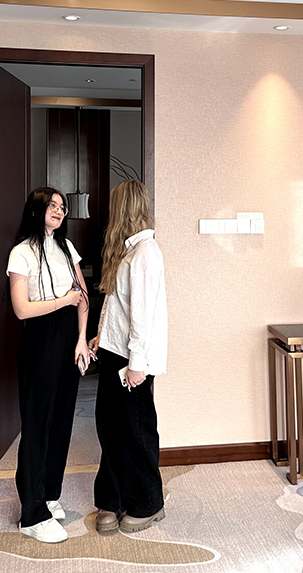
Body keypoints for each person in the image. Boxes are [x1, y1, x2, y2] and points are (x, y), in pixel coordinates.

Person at [7, 187, 90, 543]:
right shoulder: (21, 252)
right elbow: (22, 309)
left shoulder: (66, 247)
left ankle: (49, 495)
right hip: (40, 339)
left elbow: (82, 296)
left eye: (62, 206)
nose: (58, 210)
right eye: (52, 205)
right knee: (37, 424)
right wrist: (64, 301)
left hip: (70, 338)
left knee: (61, 422)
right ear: (36, 210)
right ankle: (32, 514)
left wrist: (82, 338)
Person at [89, 180, 168, 534]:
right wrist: (100, 336)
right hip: (114, 350)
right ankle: (113, 498)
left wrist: (136, 363)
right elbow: (117, 306)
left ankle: (148, 503)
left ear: (121, 207)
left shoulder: (146, 253)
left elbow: (142, 316)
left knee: (135, 431)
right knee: (110, 428)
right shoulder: (128, 251)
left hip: (130, 360)